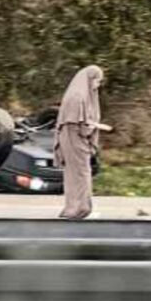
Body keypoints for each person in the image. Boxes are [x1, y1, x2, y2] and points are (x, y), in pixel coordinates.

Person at [55, 65, 113, 220]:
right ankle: (80, 207)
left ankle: (73, 207)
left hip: (73, 138)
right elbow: (80, 125)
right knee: (81, 173)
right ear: (89, 79)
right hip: (75, 140)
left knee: (74, 174)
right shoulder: (78, 96)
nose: (98, 85)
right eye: (97, 81)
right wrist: (97, 127)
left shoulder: (78, 94)